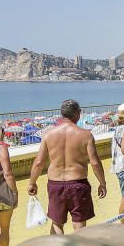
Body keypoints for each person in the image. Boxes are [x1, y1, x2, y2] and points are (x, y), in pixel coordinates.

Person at [28, 99, 107, 234]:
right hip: (78, 184)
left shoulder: (48, 134)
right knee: (79, 224)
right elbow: (95, 163)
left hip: (55, 184)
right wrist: (102, 182)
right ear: (78, 114)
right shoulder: (86, 135)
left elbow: (39, 162)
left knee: (57, 224)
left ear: (62, 114)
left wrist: (32, 182)